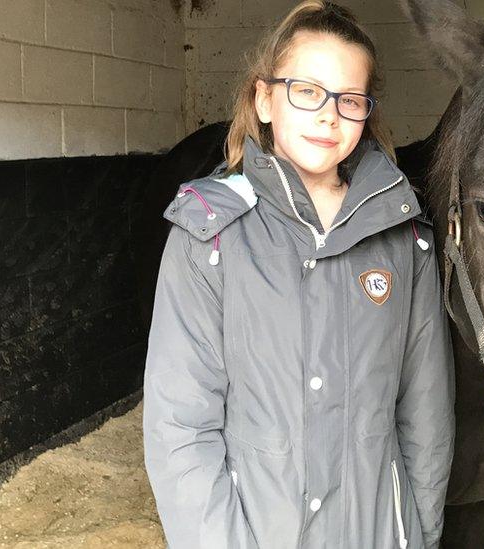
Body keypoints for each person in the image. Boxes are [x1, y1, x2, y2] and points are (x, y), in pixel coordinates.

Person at [141, 2, 456, 548]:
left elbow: (426, 413)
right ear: (264, 99)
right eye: (306, 91)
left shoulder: (406, 239)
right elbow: (180, 430)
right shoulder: (209, 237)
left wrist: (419, 534)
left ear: (366, 113)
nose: (328, 115)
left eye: (349, 99)